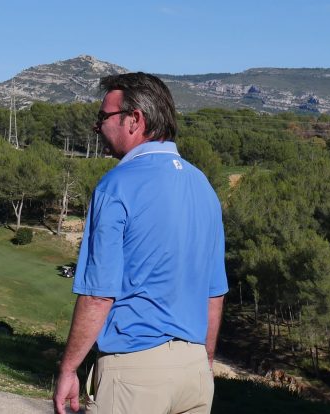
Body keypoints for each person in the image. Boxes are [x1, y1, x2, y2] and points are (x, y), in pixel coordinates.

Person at [53, 73, 228, 414]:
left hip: (135, 370)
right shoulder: (203, 186)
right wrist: (206, 362)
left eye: (103, 118)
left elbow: (98, 294)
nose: (97, 127)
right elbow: (214, 293)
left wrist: (69, 368)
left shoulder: (116, 185)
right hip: (195, 372)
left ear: (135, 120)